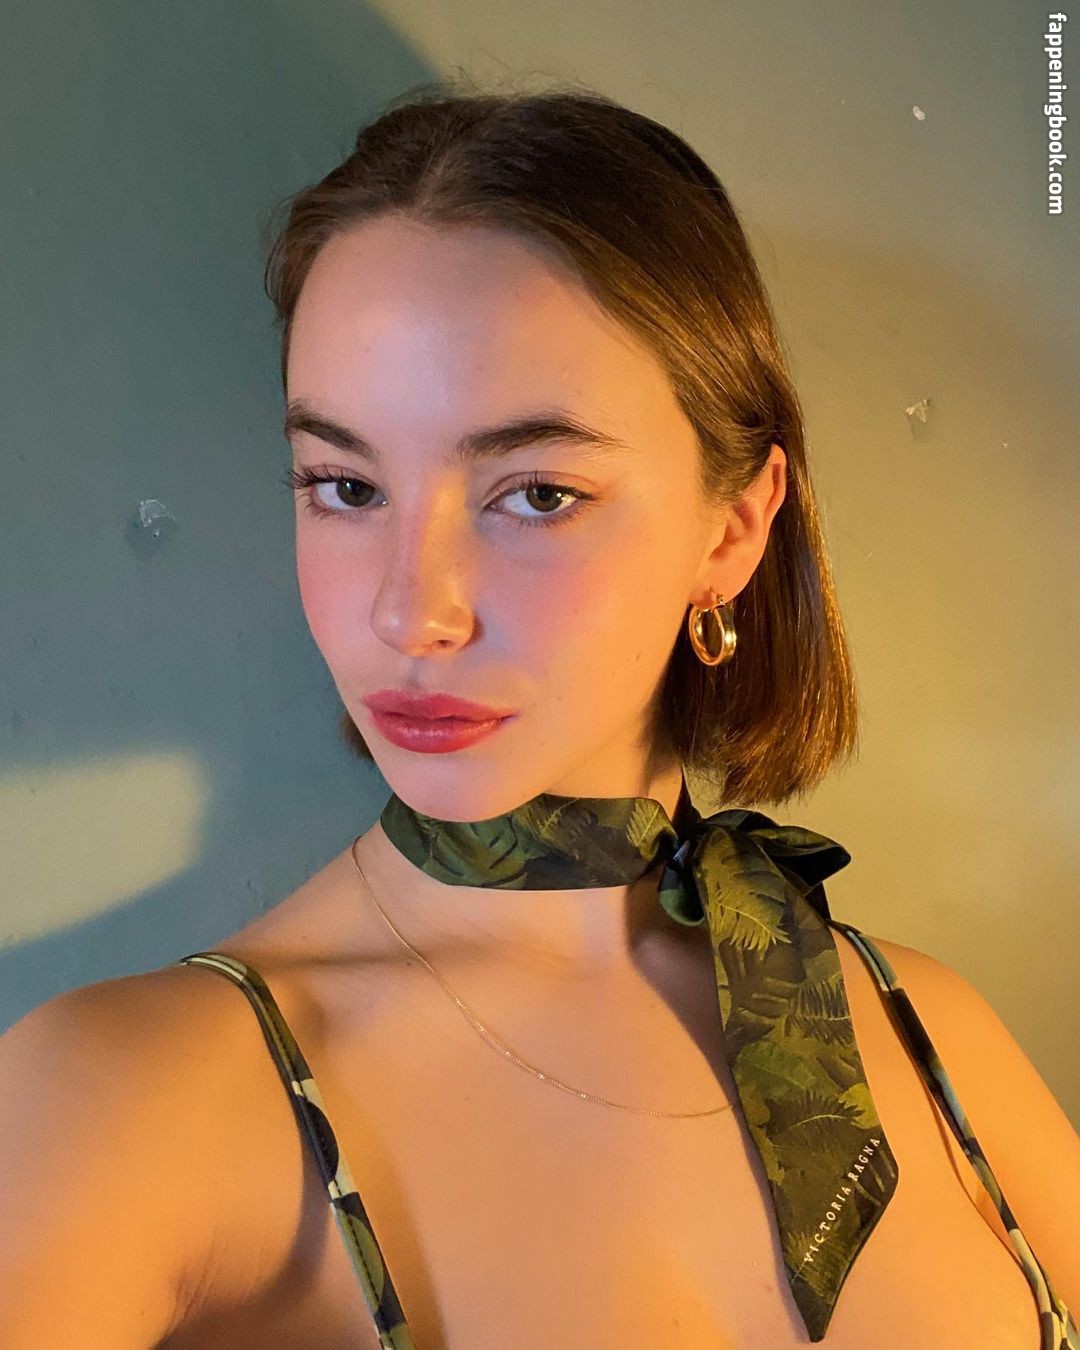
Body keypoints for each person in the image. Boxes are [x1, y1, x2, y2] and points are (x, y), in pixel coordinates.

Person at [1, 78, 1077, 1349]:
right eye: (344, 485)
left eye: (538, 494)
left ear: (733, 530)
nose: (412, 612)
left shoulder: (937, 1039)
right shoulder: (127, 1099)